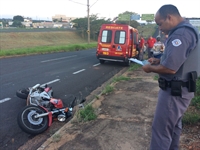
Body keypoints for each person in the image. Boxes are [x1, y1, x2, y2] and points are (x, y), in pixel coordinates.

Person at [142, 4, 199, 150]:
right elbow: (179, 59)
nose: (160, 28)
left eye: (160, 24)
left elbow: (170, 68)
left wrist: (150, 68)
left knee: (161, 132)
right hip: (181, 91)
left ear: (169, 17)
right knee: (173, 128)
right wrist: (159, 60)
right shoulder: (188, 31)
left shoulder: (180, 34)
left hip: (174, 93)